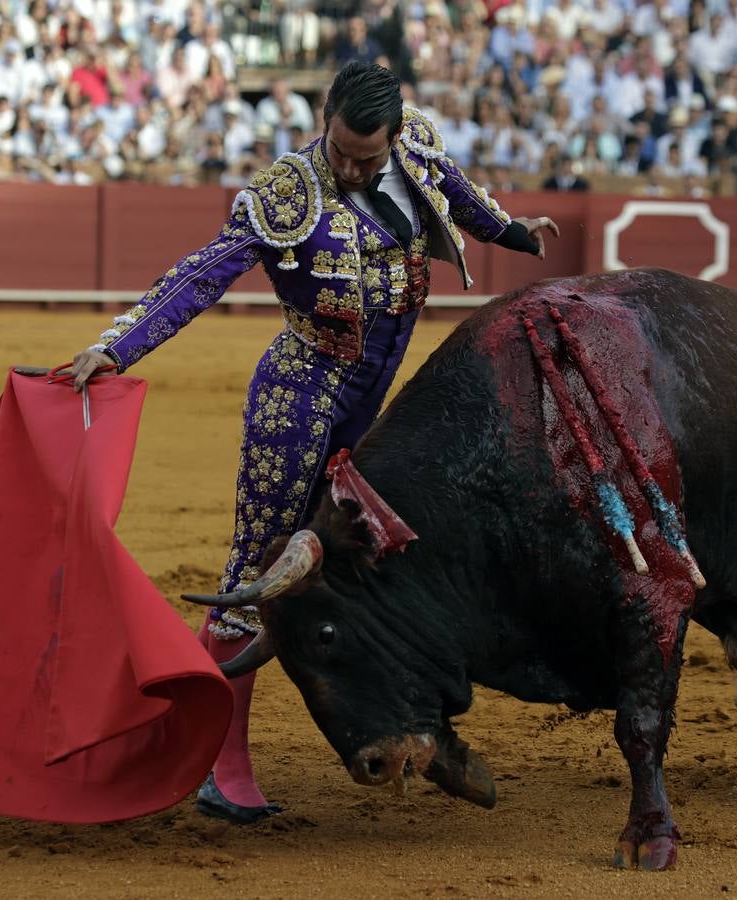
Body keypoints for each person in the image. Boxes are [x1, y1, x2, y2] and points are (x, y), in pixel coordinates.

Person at [60, 62, 560, 825]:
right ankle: (217, 764)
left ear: (394, 136)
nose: (353, 168)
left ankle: (405, 718)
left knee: (367, 563)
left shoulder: (415, 145)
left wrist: (512, 233)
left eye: (369, 157)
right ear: (323, 122)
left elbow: (455, 192)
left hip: (375, 402)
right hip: (298, 398)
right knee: (258, 569)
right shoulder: (284, 192)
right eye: (342, 151)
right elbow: (199, 277)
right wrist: (118, 346)